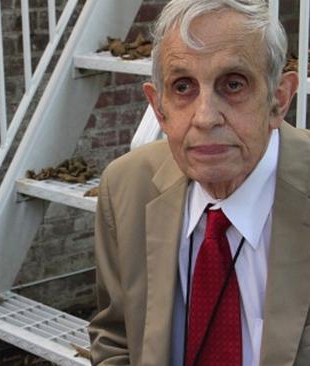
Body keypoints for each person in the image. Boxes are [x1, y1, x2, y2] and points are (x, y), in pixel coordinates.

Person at [88, 0, 308, 365]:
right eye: (183, 86)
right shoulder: (125, 187)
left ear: (278, 99)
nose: (205, 117)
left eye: (234, 84)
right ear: (159, 108)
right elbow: (115, 337)